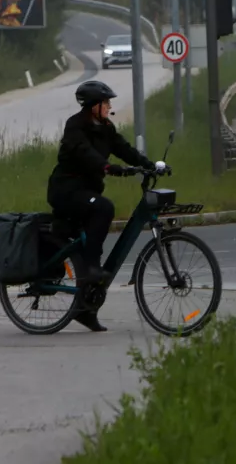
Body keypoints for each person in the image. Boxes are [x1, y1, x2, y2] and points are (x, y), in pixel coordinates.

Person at [46, 80, 155, 332]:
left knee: (96, 216)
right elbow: (85, 153)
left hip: (87, 191)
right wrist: (106, 167)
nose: (109, 106)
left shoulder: (106, 127)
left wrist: (148, 164)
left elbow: (123, 149)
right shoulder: (75, 126)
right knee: (103, 208)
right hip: (67, 191)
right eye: (105, 103)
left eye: (108, 103)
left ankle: (86, 309)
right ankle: (93, 268)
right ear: (93, 106)